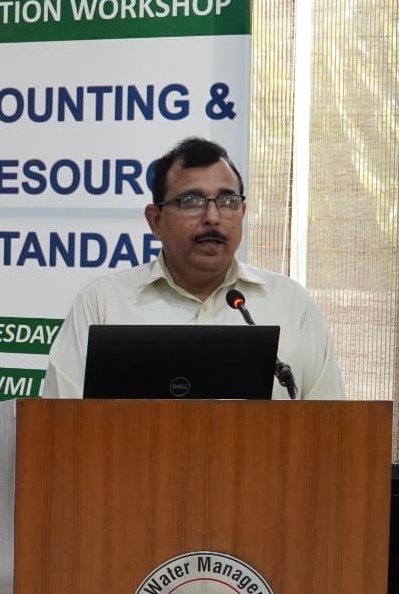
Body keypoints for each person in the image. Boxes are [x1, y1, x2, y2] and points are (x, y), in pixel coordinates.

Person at [42, 136, 344, 400]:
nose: (213, 217)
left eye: (227, 201)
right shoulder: (103, 304)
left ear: (242, 212)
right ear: (156, 221)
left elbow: (331, 426)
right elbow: (61, 424)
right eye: (191, 201)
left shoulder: (290, 304)